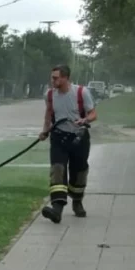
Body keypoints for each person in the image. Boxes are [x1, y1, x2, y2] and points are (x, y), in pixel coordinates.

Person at [38, 64, 97, 223]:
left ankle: (77, 202)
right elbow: (49, 113)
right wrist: (45, 131)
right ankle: (57, 209)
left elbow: (93, 113)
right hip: (58, 137)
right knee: (58, 169)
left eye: (56, 77)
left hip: (79, 138)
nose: (53, 80)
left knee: (79, 171)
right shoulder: (50, 94)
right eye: (52, 77)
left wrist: (85, 119)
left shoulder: (81, 92)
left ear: (65, 78)